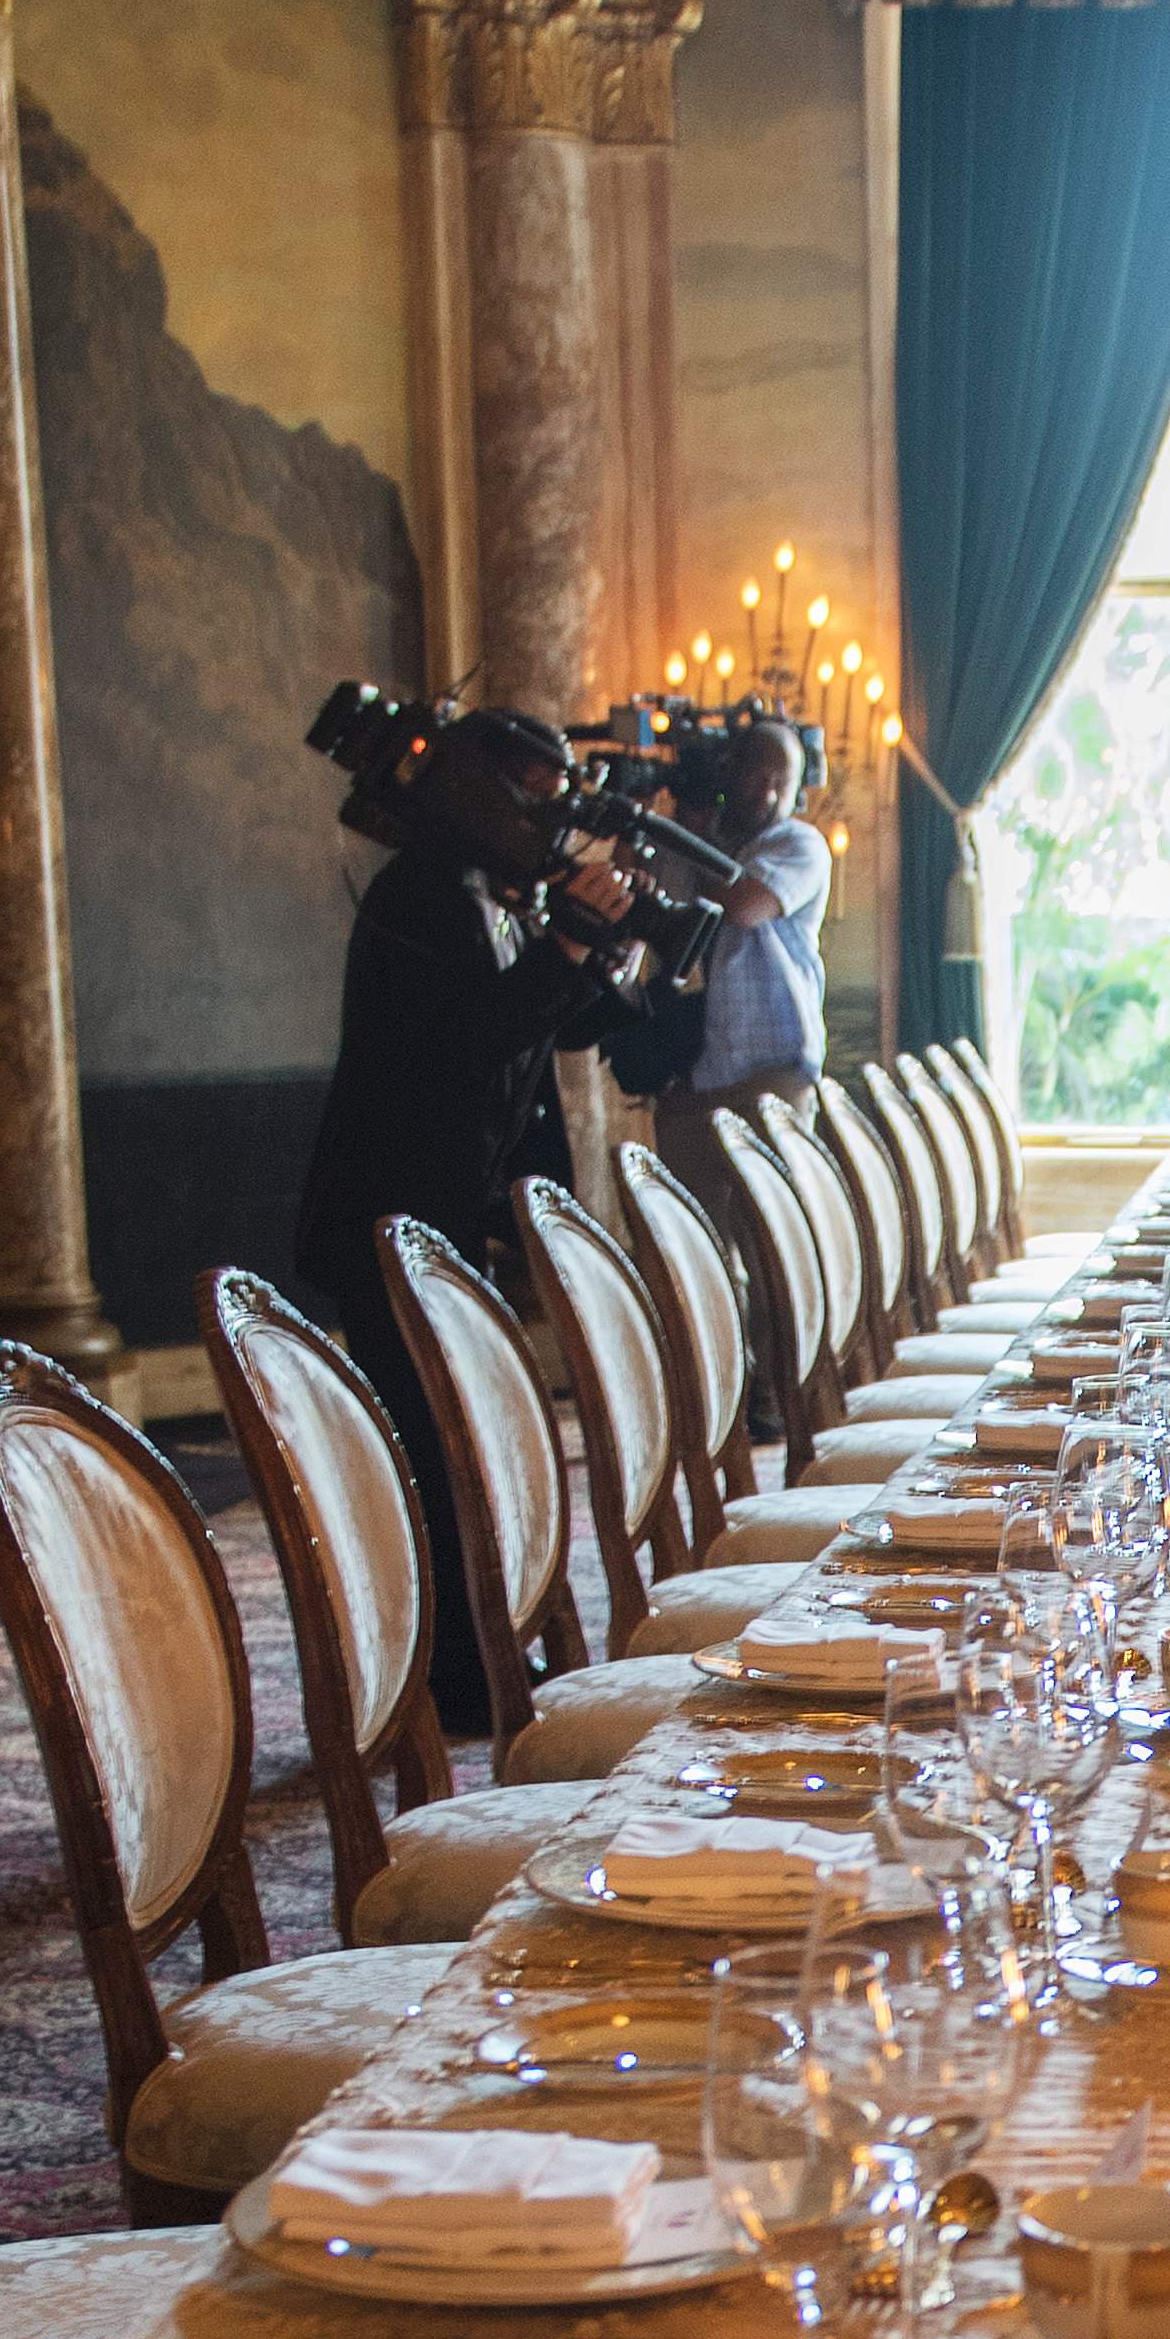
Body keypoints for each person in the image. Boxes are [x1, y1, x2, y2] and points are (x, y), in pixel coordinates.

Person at [286, 705, 642, 1734]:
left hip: (447, 1220)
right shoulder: (420, 898)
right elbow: (456, 1048)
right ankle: (443, 1673)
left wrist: (602, 954)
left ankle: (479, 1648)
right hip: (388, 1219)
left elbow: (539, 1027)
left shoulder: (493, 897)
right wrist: (565, 942)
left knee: (466, 1445)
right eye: (535, 793)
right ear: (479, 794)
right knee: (427, 1453)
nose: (551, 815)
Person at [649, 714, 828, 1246]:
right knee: (694, 1246)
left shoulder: (800, 844)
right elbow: (655, 904)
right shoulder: (698, 839)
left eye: (782, 780)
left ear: (797, 790)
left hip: (772, 1072)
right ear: (731, 773)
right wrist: (657, 828)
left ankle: (778, 1335)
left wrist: (695, 841)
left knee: (773, 1246)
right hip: (700, 1072)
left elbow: (746, 905)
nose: (768, 790)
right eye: (757, 774)